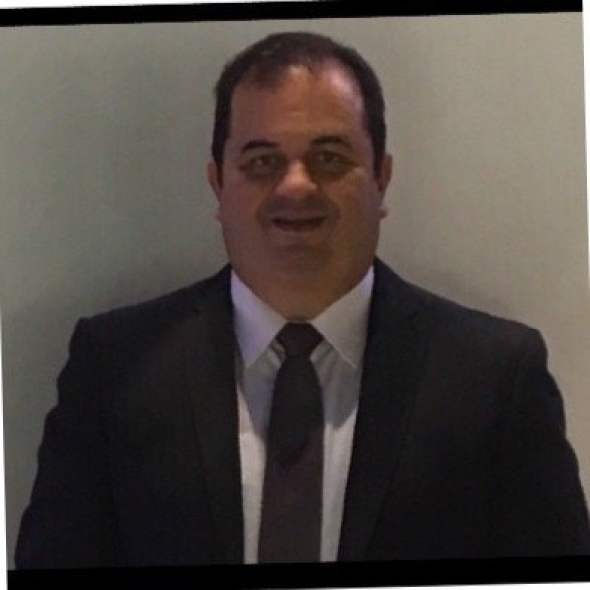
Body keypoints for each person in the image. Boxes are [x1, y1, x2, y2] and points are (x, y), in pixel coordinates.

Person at [15, 31, 590, 568]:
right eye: (262, 161)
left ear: (382, 178)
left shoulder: (496, 380)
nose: (296, 185)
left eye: (330, 158)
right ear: (218, 184)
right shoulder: (113, 370)